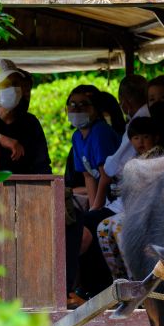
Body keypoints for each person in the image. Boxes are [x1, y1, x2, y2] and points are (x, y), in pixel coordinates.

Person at [94, 115, 164, 281]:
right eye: (136, 138)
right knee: (103, 226)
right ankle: (120, 279)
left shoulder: (162, 156)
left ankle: (137, 280)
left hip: (156, 212)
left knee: (118, 227)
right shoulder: (134, 160)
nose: (141, 142)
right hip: (136, 211)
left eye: (145, 137)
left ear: (155, 137)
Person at [64, 85, 123, 299]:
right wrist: (94, 206)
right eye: (73, 104)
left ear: (95, 109)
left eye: (83, 104)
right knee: (82, 222)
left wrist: (97, 207)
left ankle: (95, 290)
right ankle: (83, 288)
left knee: (87, 225)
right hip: (104, 200)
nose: (77, 109)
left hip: (120, 200)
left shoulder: (100, 132)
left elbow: (105, 175)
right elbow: (88, 176)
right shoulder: (77, 138)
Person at [0, 63, 51, 175]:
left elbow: (42, 166)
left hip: (22, 191)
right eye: (4, 84)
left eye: (15, 84)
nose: (12, 89)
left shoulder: (30, 123)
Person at [89, 74, 150, 210]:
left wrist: (95, 207)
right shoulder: (146, 116)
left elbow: (113, 167)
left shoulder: (138, 123)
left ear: (125, 102)